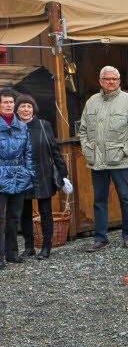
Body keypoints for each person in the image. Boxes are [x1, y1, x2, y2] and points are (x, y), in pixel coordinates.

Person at [78, 66, 128, 252]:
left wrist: (126, 150)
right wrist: (87, 149)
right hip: (96, 161)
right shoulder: (92, 102)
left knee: (126, 198)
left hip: (120, 160)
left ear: (119, 81)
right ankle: (100, 238)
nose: (111, 82)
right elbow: (83, 130)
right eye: (107, 79)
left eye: (115, 79)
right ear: (100, 81)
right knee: (99, 200)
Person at [15, 94, 68, 260]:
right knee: (24, 213)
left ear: (33, 109)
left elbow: (54, 149)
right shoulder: (13, 127)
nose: (25, 109)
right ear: (17, 109)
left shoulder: (44, 125)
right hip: (22, 175)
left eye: (29, 106)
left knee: (46, 212)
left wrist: (62, 171)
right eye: (22, 106)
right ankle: (29, 247)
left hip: (43, 174)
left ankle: (46, 247)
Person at [0, 89, 34, 268]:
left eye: (11, 102)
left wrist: (29, 173)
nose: (8, 105)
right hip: (1, 174)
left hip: (19, 175)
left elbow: (28, 151)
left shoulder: (22, 126)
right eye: (5, 102)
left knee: (14, 217)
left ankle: (12, 253)